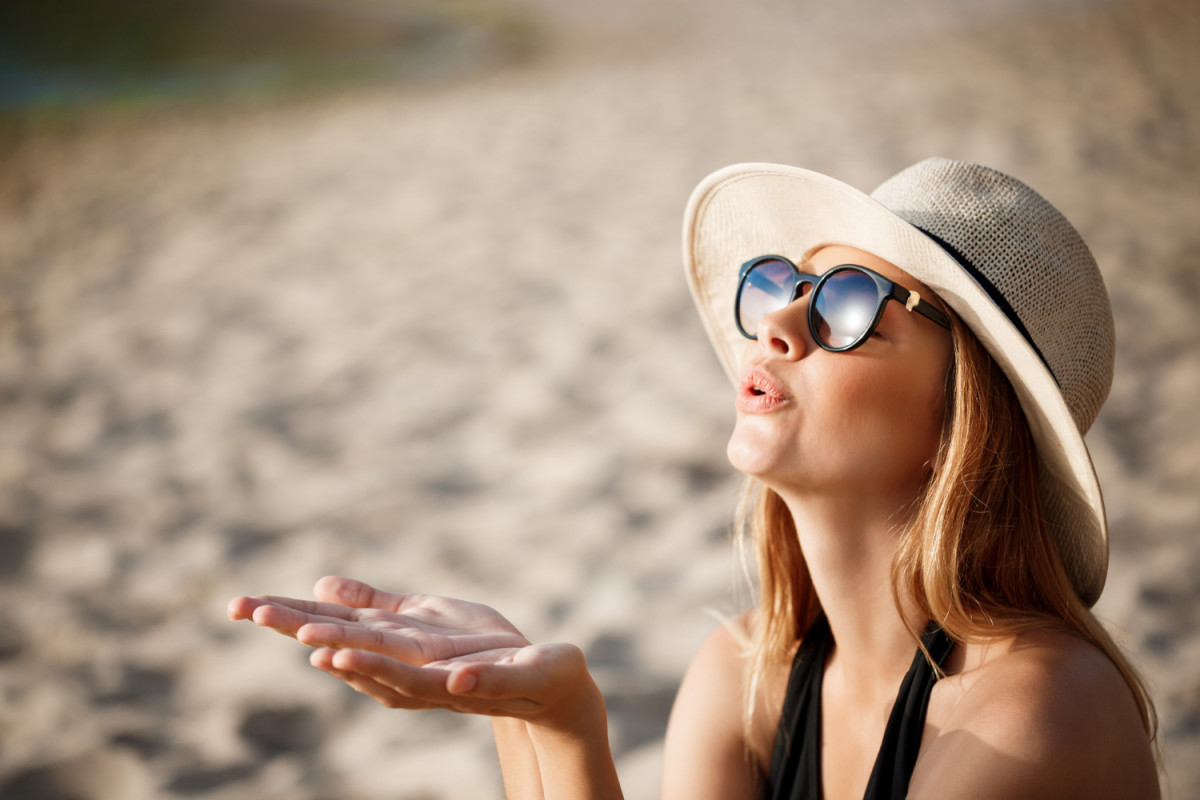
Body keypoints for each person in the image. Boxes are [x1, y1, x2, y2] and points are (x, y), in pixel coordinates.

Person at [229, 159, 1160, 799]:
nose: (779, 326)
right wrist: (544, 719)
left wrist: (566, 731)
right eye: (788, 284)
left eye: (846, 307)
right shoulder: (749, 672)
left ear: (963, 420)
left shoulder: (1041, 707)